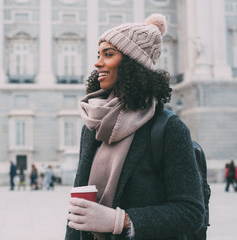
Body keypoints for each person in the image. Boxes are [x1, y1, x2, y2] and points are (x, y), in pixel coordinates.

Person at [65, 14, 205, 240]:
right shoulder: (92, 126)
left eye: (108, 54)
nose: (97, 63)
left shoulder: (168, 129)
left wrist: (120, 221)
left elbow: (191, 212)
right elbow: (78, 213)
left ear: (132, 63)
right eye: (98, 54)